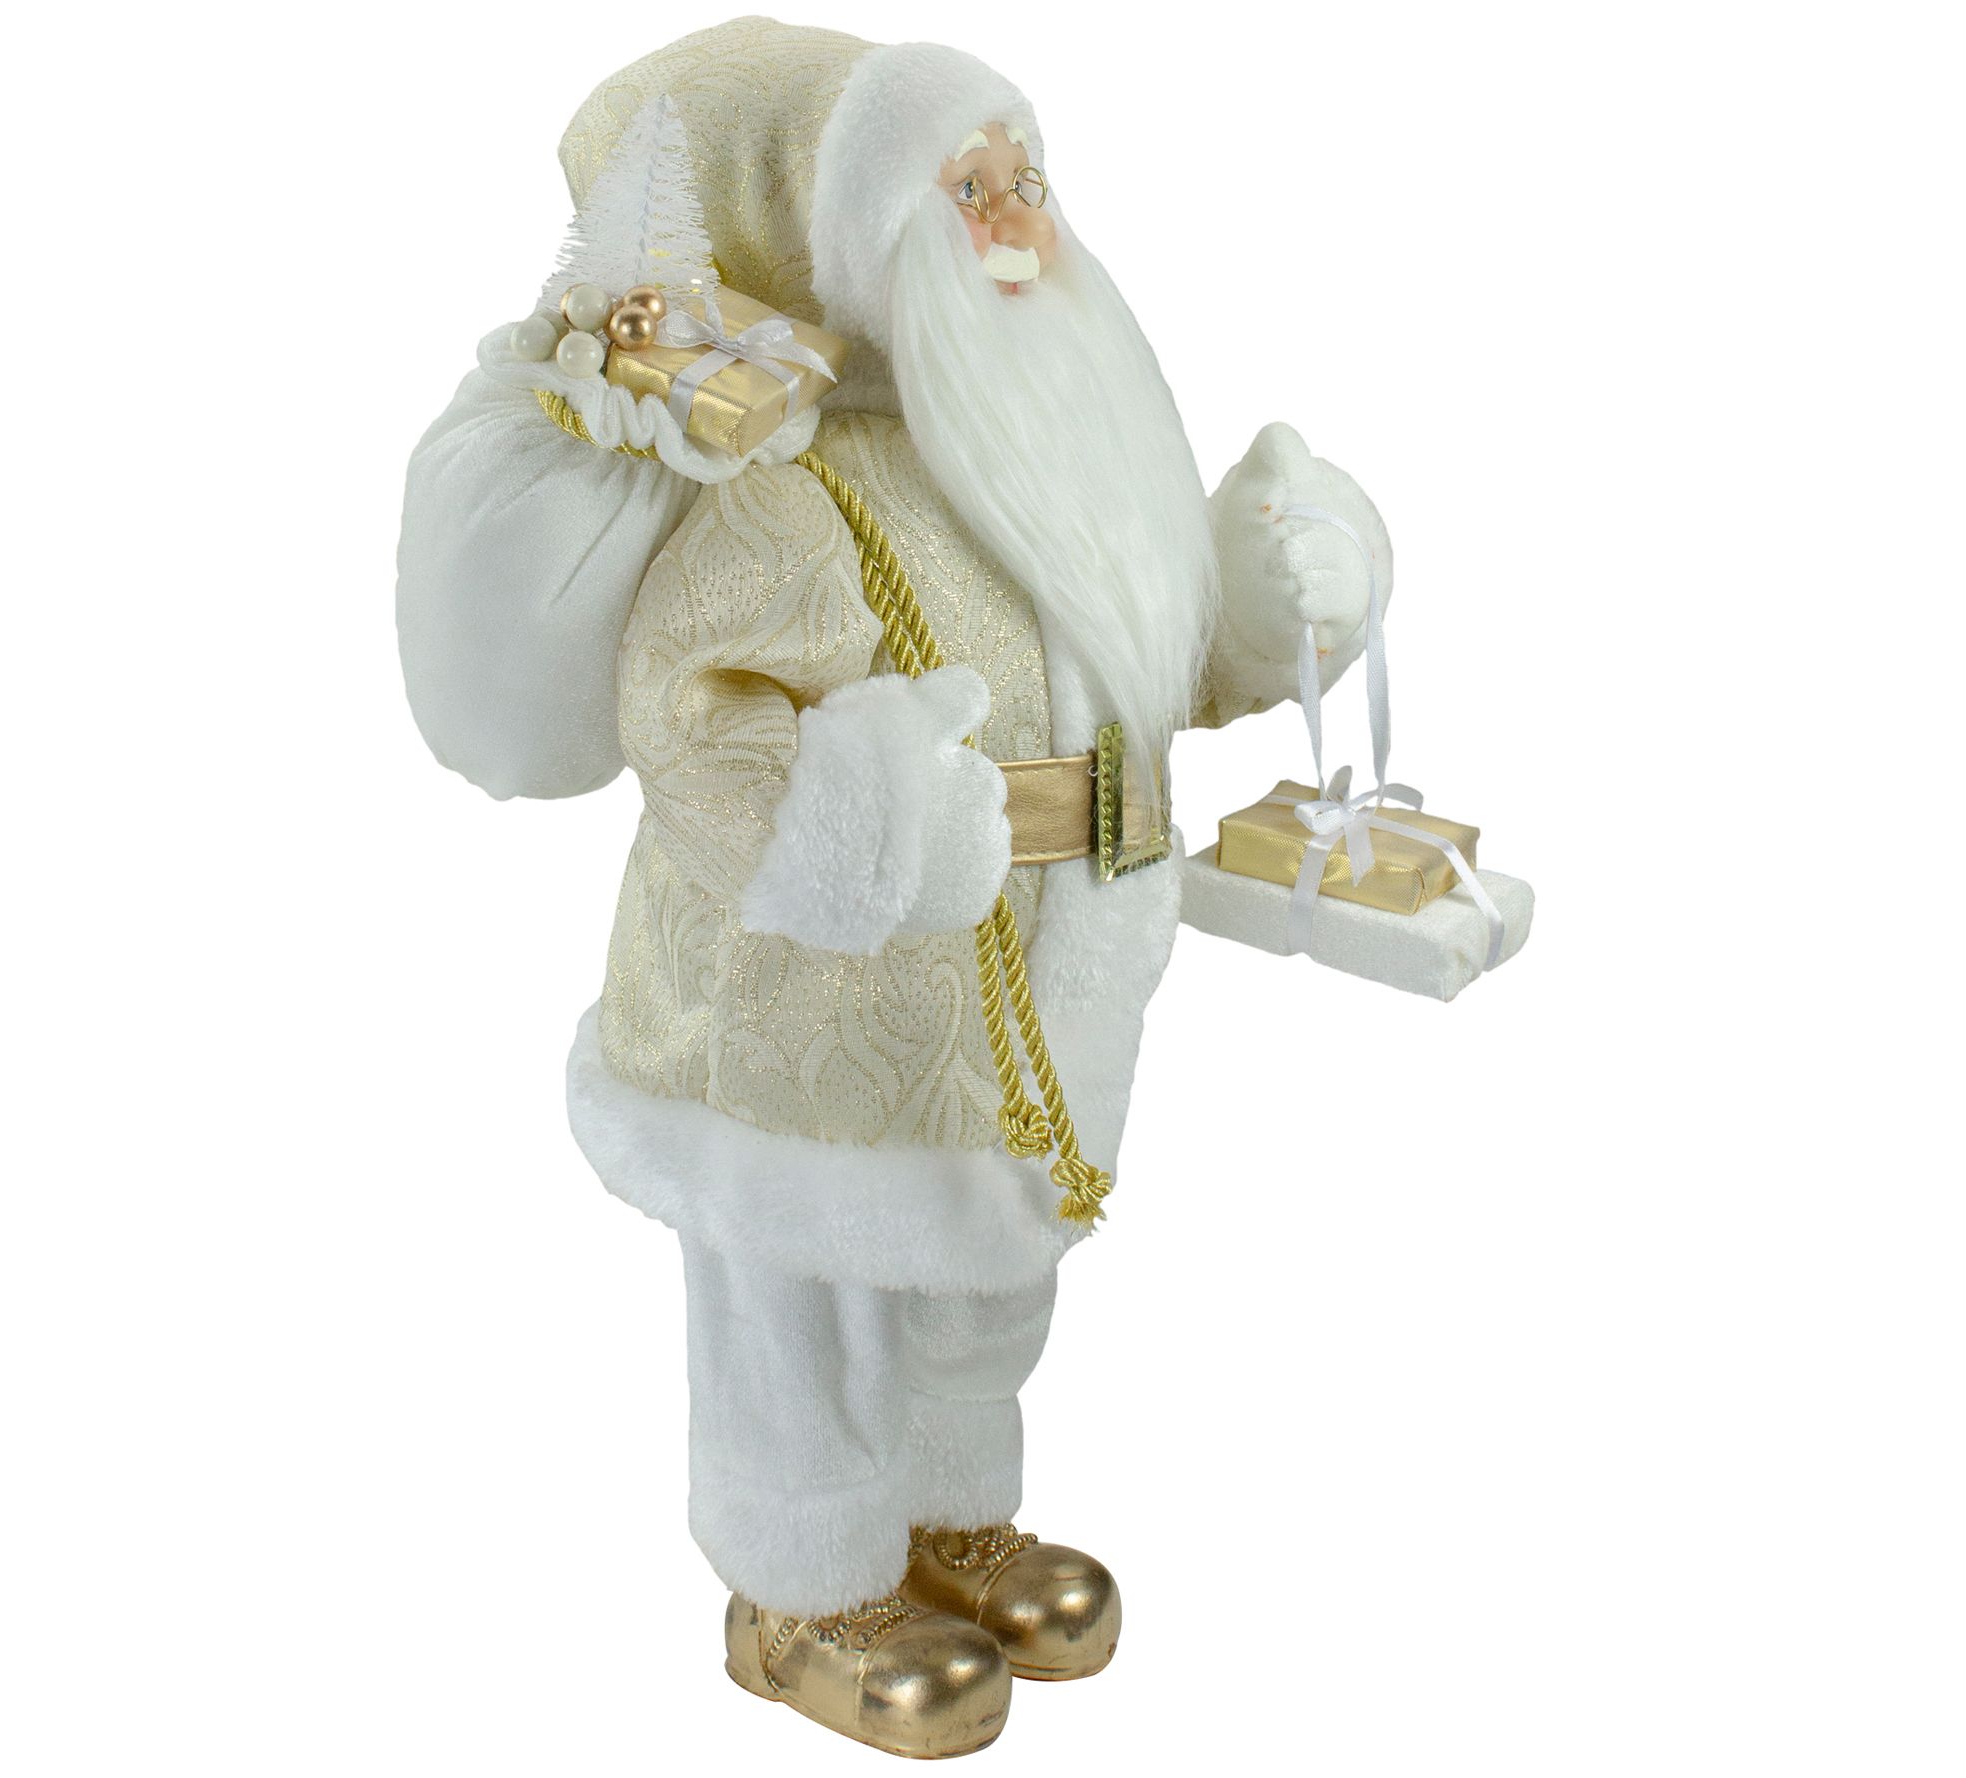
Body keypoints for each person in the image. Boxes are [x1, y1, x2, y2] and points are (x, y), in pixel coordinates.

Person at [397, 17, 1390, 1757]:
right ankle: (797, 1587)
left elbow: (1164, 665)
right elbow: (694, 719)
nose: (1013, 213)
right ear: (862, 240)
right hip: (811, 1008)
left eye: (1026, 174)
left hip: (1040, 983)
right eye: (965, 183)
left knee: (985, 1281)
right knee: (808, 1296)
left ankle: (946, 1515)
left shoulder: (1053, 454)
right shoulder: (791, 490)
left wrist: (1272, 589)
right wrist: (865, 820)